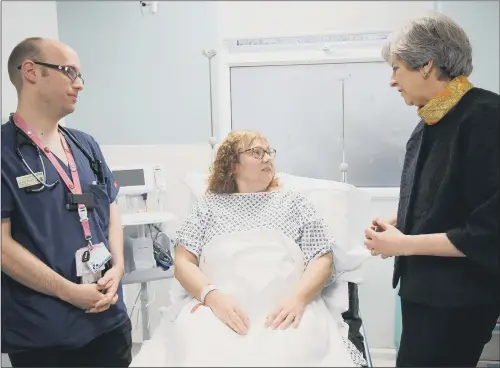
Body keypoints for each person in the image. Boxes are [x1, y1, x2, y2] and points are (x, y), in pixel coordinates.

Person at [130, 130, 367, 367]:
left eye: (269, 152)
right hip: (217, 309)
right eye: (256, 152)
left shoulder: (294, 203)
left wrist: (298, 298)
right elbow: (183, 262)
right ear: (232, 165)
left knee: (295, 350)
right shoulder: (207, 206)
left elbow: (322, 258)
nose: (267, 158)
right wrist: (211, 297)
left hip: (285, 310)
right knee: (199, 348)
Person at [365, 13, 499, 367]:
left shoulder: (487, 117)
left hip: (460, 298)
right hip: (424, 291)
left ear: (426, 65)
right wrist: (399, 221)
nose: (392, 81)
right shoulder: (426, 127)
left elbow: (490, 230)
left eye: (396, 68)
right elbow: (445, 202)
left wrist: (402, 244)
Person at [1, 37, 132, 367]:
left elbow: (111, 214)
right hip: (46, 334)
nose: (79, 85)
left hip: (109, 322)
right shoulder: (4, 153)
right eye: (69, 72)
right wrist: (68, 291)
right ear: (31, 71)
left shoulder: (86, 146)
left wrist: (117, 267)